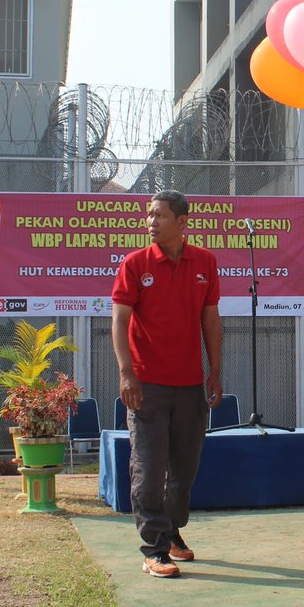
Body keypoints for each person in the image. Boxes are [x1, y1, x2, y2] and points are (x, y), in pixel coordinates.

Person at [111, 190, 223, 580]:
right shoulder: (134, 264)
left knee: (184, 470)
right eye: (149, 215)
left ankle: (172, 531)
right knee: (147, 467)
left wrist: (215, 372)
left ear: (182, 222)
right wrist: (127, 373)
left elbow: (210, 320)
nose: (151, 222)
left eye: (159, 215)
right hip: (147, 387)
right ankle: (155, 549)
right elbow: (120, 321)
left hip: (191, 386)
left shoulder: (205, 262)